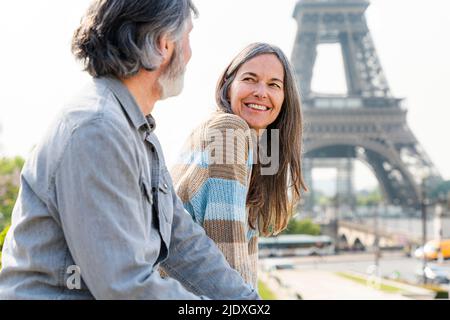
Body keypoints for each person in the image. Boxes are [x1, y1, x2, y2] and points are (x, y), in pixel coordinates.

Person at [0, 0, 260, 300]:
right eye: (188, 38)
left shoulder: (135, 130)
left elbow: (183, 242)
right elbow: (125, 286)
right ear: (164, 44)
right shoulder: (98, 130)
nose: (190, 54)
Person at [170, 43, 307, 287]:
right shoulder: (228, 132)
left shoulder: (260, 143)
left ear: (285, 98)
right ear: (228, 85)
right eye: (250, 79)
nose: (261, 92)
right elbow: (228, 253)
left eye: (274, 84)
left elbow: (255, 236)